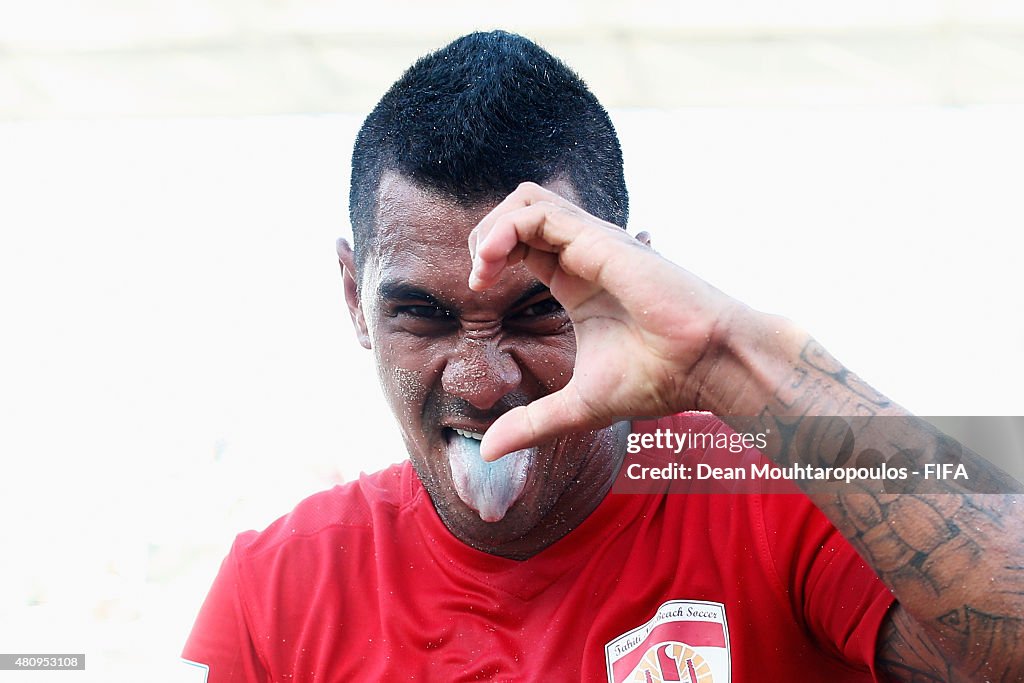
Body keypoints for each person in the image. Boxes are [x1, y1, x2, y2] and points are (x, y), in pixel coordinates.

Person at [182, 30, 1023, 682]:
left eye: (539, 310)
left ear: (627, 285)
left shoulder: (772, 491)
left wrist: (729, 354)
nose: (483, 381)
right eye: (425, 317)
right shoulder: (274, 591)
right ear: (351, 298)